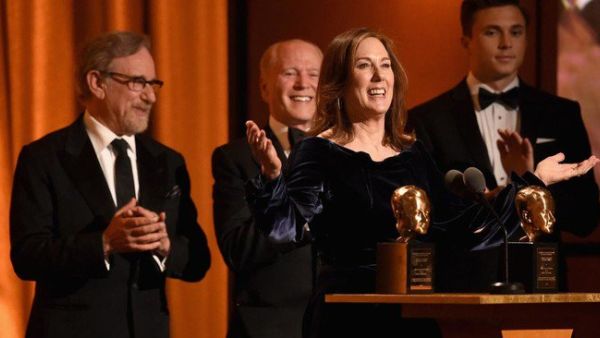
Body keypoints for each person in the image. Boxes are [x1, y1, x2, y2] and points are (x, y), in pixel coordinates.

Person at [246, 27, 598, 338]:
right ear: (339, 81)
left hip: (411, 316)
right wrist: (274, 178)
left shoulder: (412, 152)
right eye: (364, 65)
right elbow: (284, 230)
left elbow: (464, 228)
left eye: (385, 65)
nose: (378, 77)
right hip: (348, 316)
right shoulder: (319, 151)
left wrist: (535, 182)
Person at [10, 31, 211, 338]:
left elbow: (198, 260)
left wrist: (165, 245)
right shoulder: (45, 157)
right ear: (97, 83)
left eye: (153, 84)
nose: (151, 96)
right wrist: (103, 244)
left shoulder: (168, 162)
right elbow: (27, 257)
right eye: (138, 83)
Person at [408, 0, 599, 290]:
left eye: (517, 32)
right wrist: (497, 199)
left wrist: (533, 186)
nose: (506, 43)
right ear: (466, 41)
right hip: (462, 289)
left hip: (542, 287)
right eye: (492, 32)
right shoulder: (428, 120)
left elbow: (585, 218)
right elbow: (429, 220)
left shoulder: (561, 114)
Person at [211, 39, 322, 338]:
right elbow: (237, 249)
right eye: (290, 73)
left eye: (313, 74)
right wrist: (300, 217)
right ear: (264, 87)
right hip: (269, 327)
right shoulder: (236, 158)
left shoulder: (349, 152)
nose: (303, 83)